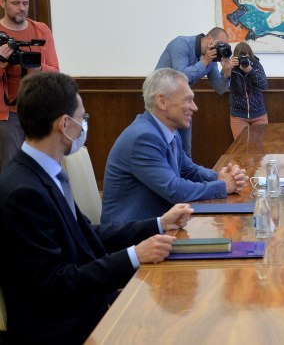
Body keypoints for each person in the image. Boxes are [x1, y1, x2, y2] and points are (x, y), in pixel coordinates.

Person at [0, 72, 194, 344]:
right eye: (82, 118)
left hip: (84, 307)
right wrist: (135, 255)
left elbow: (86, 234)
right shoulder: (23, 191)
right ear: (64, 125)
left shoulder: (44, 173)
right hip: (62, 327)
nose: (83, 126)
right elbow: (55, 284)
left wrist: (159, 224)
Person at [101, 68, 246, 224]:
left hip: (161, 225)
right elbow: (174, 190)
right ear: (162, 102)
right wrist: (222, 186)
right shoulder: (143, 138)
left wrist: (218, 177)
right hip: (134, 233)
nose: (195, 107)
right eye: (188, 100)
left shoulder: (169, 131)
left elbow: (188, 169)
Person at [0, 0, 59, 171]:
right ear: (2, 2)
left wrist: (38, 68)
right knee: (10, 169)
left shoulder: (41, 30)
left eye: (25, 3)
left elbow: (55, 70)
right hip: (7, 115)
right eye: (15, 3)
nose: (22, 8)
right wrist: (1, 64)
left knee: (45, 167)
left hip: (39, 109)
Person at [155, 27, 234, 156]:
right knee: (163, 148)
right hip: (160, 103)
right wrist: (204, 61)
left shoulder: (211, 60)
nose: (222, 48)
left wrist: (226, 73)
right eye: (220, 44)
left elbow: (220, 89)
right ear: (209, 39)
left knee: (185, 150)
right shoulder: (181, 44)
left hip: (181, 103)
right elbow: (181, 76)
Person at [229, 41, 269, 139]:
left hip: (259, 114)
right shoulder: (231, 66)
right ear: (236, 57)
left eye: (246, 58)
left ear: (250, 56)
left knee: (259, 146)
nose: (244, 61)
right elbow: (222, 84)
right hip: (238, 115)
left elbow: (264, 85)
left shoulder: (256, 64)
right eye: (241, 58)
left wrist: (250, 70)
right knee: (241, 146)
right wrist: (228, 68)